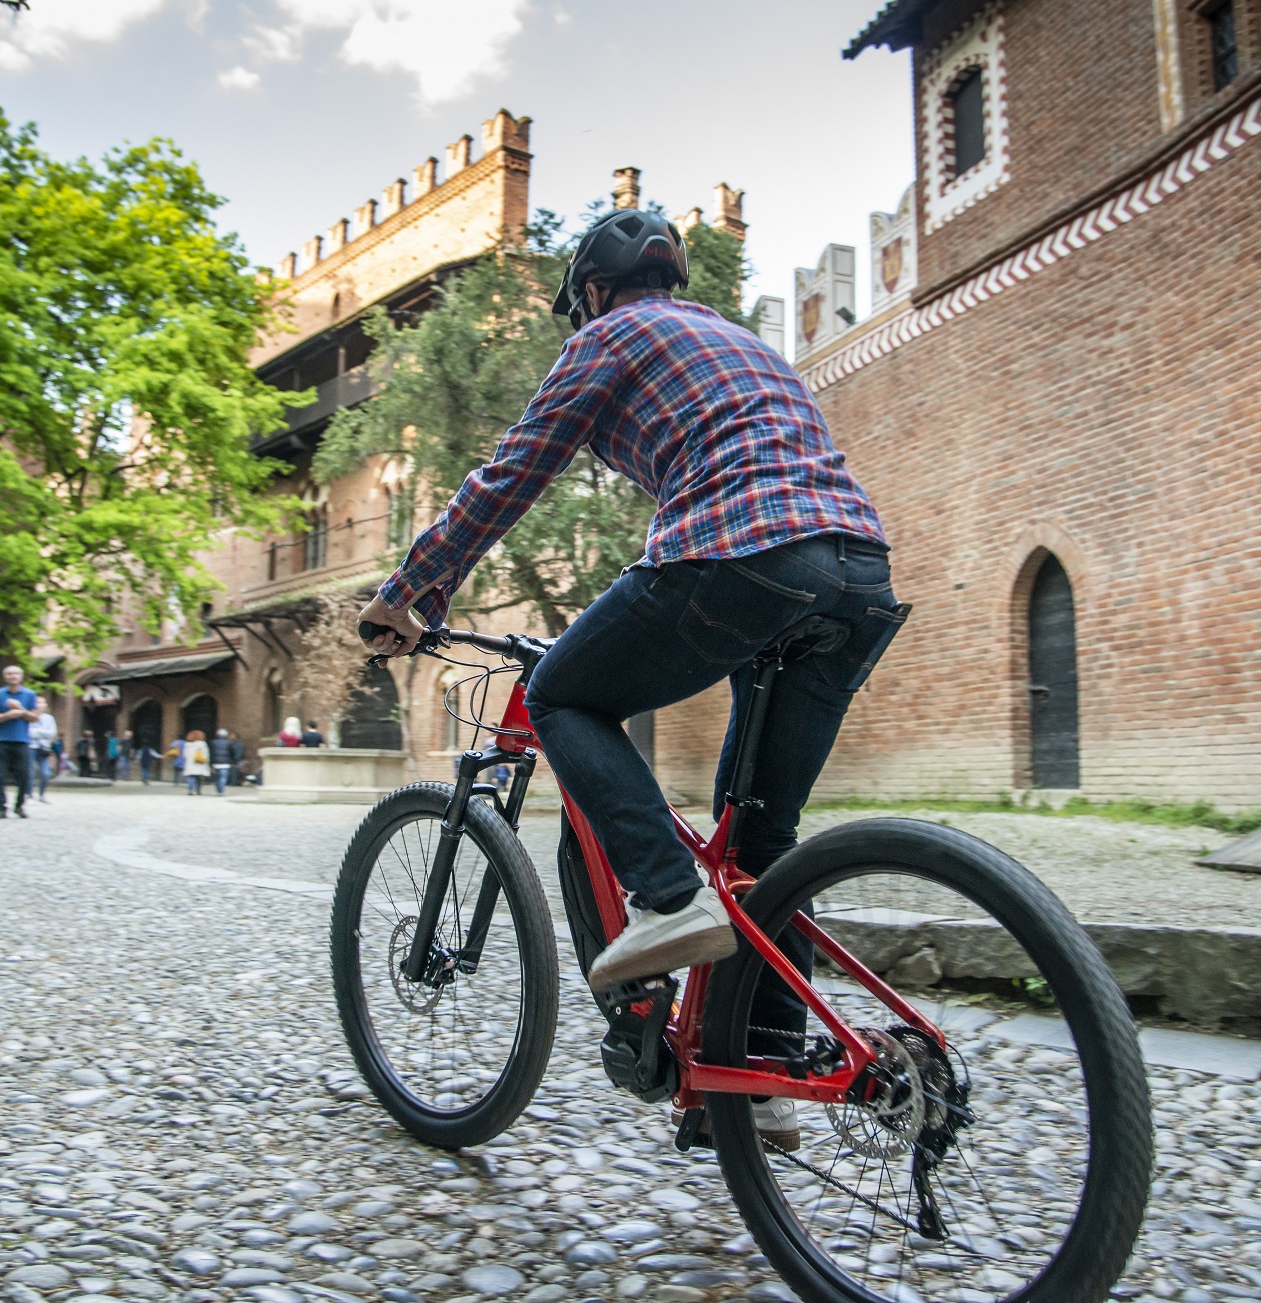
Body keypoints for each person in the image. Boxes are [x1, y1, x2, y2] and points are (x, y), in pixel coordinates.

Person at [357, 209, 897, 1147]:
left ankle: (665, 898)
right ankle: (762, 1078)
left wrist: (411, 591)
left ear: (593, 294)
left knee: (565, 694)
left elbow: (509, 476)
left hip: (745, 553)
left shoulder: (608, 335)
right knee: (761, 848)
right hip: (858, 574)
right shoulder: (734, 340)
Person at [0, 664, 40, 818]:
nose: (13, 676)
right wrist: (9, 715)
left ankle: (19, 806)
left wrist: (21, 709)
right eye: (9, 674)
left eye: (15, 674)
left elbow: (35, 717)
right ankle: (1, 808)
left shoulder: (29, 694)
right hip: (1, 740)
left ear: (21, 677)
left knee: (24, 775)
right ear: (5, 677)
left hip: (22, 740)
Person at [30, 696, 59, 802]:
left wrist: (37, 732)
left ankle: (42, 794)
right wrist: (43, 733)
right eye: (38, 702)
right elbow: (28, 733)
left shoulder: (49, 718)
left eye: (43, 702)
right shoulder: (28, 716)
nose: (40, 705)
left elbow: (52, 733)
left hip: (44, 748)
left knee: (45, 773)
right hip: (31, 747)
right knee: (30, 771)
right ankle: (29, 794)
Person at [208, 727, 236, 795]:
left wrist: (211, 762)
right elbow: (232, 753)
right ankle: (221, 791)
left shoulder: (213, 742)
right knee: (223, 777)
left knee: (217, 778)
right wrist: (233, 761)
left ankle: (218, 790)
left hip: (216, 763)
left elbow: (211, 753)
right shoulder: (229, 743)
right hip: (225, 763)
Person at [181, 729, 210, 795]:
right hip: (199, 762)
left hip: (190, 763)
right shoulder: (203, 744)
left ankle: (190, 790)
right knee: (199, 778)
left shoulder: (187, 744)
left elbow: (185, 754)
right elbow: (206, 753)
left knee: (191, 777)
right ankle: (198, 790)